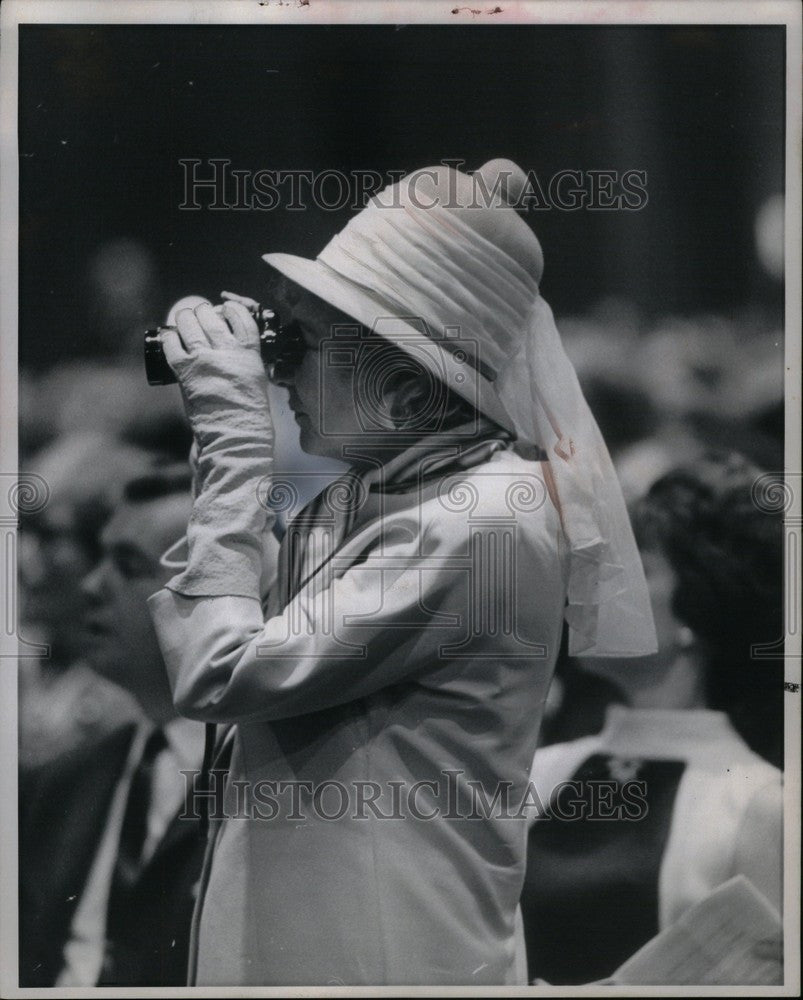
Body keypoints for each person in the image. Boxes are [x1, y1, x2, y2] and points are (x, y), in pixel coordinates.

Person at [148, 159, 657, 985]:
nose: (276, 372)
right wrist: (224, 458)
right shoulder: (378, 493)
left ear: (411, 381)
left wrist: (239, 445)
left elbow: (217, 673)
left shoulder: (487, 519)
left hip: (390, 955)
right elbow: (214, 624)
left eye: (302, 343)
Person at [520, 451, 784, 985]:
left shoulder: (758, 805)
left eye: (635, 564)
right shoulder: (536, 771)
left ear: (700, 605)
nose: (588, 583)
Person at [19, 466, 206, 987]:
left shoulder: (265, 784)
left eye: (127, 564)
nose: (90, 584)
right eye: (99, 557)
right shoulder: (60, 782)